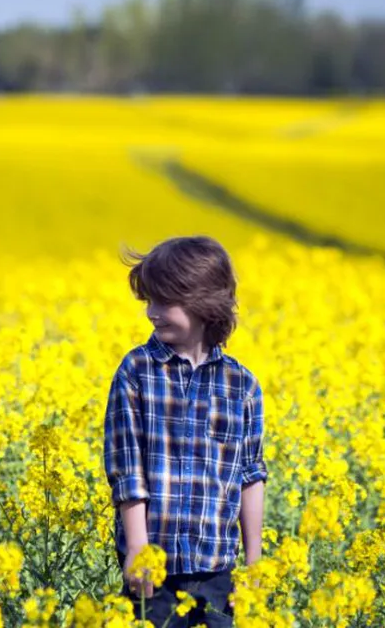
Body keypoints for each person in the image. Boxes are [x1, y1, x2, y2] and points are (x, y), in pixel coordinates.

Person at [103, 235, 268, 628]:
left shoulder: (241, 385)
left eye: (163, 302)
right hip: (154, 575)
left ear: (204, 304)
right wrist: (138, 548)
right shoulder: (137, 371)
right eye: (148, 302)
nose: (152, 313)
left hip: (218, 573)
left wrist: (255, 561)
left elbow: (250, 475)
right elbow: (128, 469)